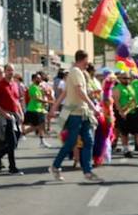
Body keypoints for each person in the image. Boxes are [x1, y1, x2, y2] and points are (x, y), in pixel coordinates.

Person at [50, 50, 102, 183]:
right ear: (82, 59)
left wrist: (54, 107)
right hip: (75, 114)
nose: (88, 63)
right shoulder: (76, 72)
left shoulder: (78, 73)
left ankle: (88, 172)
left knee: (88, 141)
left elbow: (66, 93)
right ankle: (55, 166)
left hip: (83, 113)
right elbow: (79, 92)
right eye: (87, 60)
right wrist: (93, 107)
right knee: (71, 142)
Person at [0, 64, 23, 175]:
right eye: (9, 70)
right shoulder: (0, 85)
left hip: (16, 115)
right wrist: (3, 113)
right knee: (12, 141)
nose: (11, 72)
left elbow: (17, 100)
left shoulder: (15, 84)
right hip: (7, 116)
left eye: (12, 70)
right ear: (5, 71)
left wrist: (21, 113)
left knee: (15, 141)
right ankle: (12, 167)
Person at [24, 70, 49, 148]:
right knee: (36, 126)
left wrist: (45, 92)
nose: (40, 79)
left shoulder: (39, 87)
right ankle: (21, 133)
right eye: (38, 78)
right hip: (33, 109)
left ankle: (42, 141)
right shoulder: (33, 87)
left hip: (39, 109)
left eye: (40, 78)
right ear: (34, 79)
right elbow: (36, 98)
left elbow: (44, 95)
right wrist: (47, 101)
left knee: (41, 125)